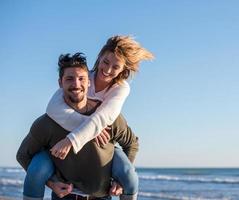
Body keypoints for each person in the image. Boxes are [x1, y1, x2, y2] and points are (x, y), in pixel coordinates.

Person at [16, 53, 139, 200]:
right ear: (60, 83)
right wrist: (51, 183)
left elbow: (132, 144)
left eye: (81, 79)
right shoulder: (47, 123)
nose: (76, 84)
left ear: (89, 82)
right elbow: (23, 155)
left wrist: (121, 179)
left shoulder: (109, 119)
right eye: (69, 79)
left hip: (101, 197)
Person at [47, 36, 154, 197]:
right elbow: (53, 108)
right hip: (84, 146)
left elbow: (104, 118)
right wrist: (93, 131)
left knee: (130, 178)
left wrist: (72, 140)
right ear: (99, 57)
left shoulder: (120, 88)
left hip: (105, 145)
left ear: (123, 70)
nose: (108, 70)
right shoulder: (83, 78)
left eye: (115, 66)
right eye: (105, 62)